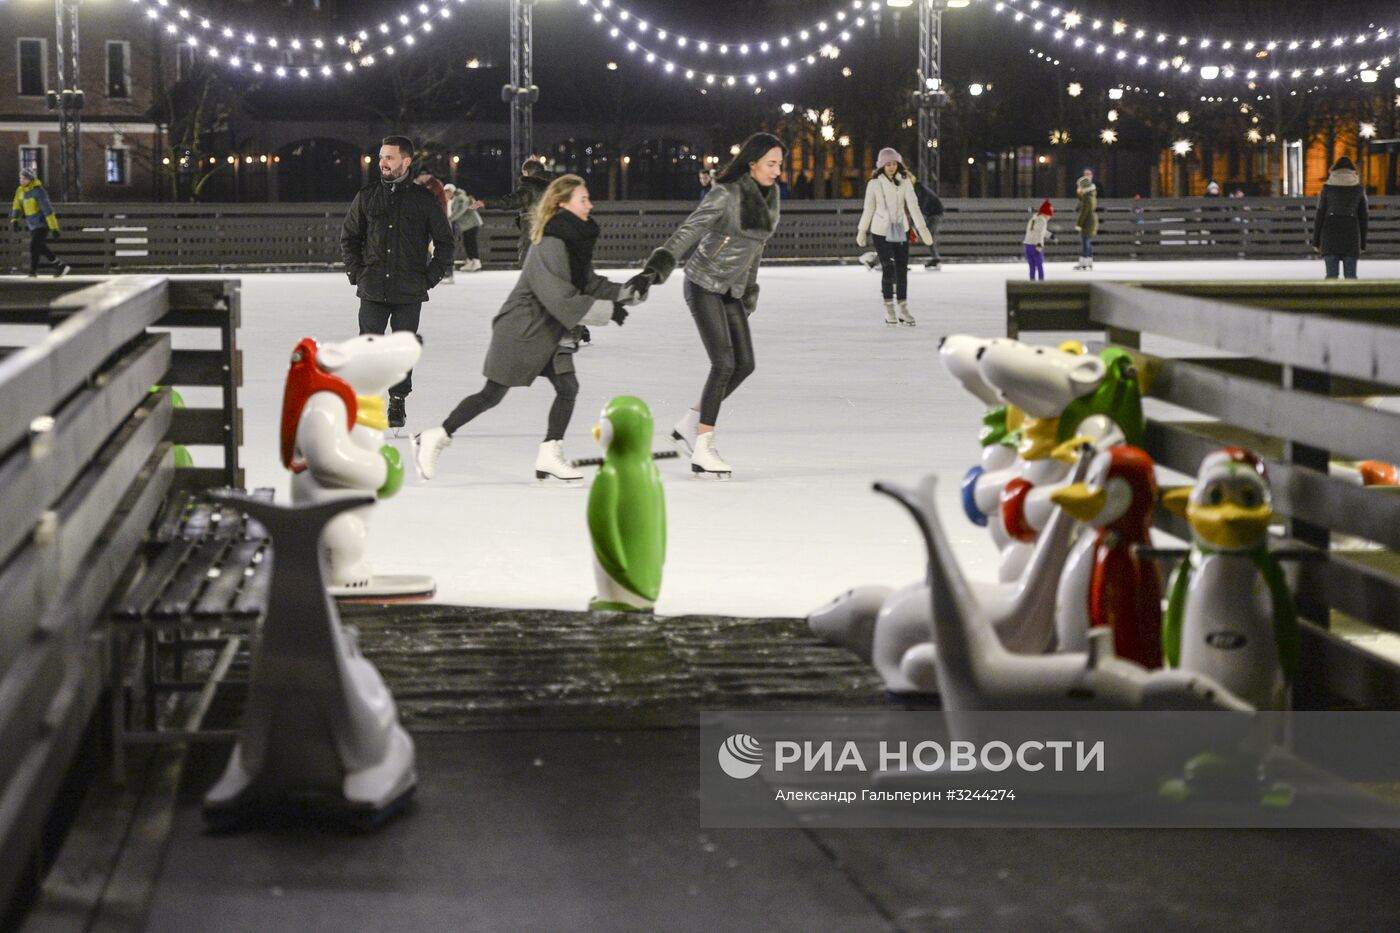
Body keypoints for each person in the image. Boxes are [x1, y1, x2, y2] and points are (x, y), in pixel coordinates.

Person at [412, 175, 642, 485]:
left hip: (551, 331)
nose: (591, 204)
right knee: (491, 395)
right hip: (522, 329)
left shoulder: (574, 239)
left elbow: (589, 282)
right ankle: (435, 436)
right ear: (563, 204)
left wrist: (629, 291)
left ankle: (550, 452)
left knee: (567, 388)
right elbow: (558, 297)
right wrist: (607, 310)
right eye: (583, 200)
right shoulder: (549, 241)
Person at [626, 132, 788, 480]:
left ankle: (689, 422)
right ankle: (703, 447)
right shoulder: (725, 194)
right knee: (723, 363)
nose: (778, 171)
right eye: (772, 164)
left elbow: (755, 249)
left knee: (744, 364)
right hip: (703, 283)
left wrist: (749, 290)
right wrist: (654, 271)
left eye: (780, 165)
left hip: (732, 288)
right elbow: (689, 231)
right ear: (753, 162)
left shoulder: (770, 196)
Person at [341, 135, 455, 430]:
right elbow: (350, 238)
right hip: (373, 287)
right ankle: (365, 402)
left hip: (409, 289)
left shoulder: (423, 200)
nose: (383, 163)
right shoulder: (366, 196)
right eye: (381, 157)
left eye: (389, 157)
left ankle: (397, 401)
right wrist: (357, 273)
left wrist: (430, 278)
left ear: (406, 161)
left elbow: (445, 242)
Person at [855, 148, 934, 326]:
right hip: (881, 231)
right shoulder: (874, 184)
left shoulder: (905, 182)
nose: (891, 167)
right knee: (888, 267)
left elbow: (913, 207)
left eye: (894, 164)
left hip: (900, 229)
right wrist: (862, 230)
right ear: (881, 166)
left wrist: (923, 229)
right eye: (887, 164)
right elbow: (868, 209)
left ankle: (903, 307)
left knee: (901, 269)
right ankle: (889, 307)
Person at [482, 159, 552, 264]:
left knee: (527, 256)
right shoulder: (553, 186)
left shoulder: (530, 186)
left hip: (531, 224)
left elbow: (511, 201)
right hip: (549, 223)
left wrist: (486, 202)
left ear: (526, 172)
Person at [1312, 156, 1367, 280]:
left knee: (1331, 277)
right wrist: (1362, 243)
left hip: (1330, 234)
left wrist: (1316, 241)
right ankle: (1352, 300)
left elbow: (1320, 214)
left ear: (1334, 170)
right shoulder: (1358, 189)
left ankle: (1331, 300)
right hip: (1351, 235)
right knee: (1351, 277)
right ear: (1353, 171)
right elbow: (1363, 217)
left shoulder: (1327, 188)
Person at [10, 169, 69, 277]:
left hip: (42, 224)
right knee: (39, 247)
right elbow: (16, 206)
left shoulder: (39, 191)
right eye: (20, 178)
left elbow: (48, 210)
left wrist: (54, 228)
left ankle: (33, 272)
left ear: (30, 179)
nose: (21, 180)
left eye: (23, 178)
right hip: (32, 225)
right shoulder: (20, 191)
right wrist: (15, 220)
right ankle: (59, 265)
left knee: (34, 246)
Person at [445, 183, 483, 271]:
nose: (446, 194)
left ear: (451, 191)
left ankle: (476, 262)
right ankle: (471, 261)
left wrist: (449, 219)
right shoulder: (454, 199)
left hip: (472, 223)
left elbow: (460, 210)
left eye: (447, 192)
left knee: (471, 242)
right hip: (467, 225)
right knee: (467, 242)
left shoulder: (460, 198)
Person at [916, 180, 944, 269]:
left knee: (928, 236)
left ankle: (936, 258)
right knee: (928, 236)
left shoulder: (922, 192)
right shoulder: (922, 190)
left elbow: (922, 204)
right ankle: (935, 258)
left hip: (934, 215)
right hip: (933, 214)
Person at [1074, 168, 1099, 271]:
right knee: (1086, 241)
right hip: (1090, 221)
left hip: (1088, 222)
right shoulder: (1090, 195)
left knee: (1085, 242)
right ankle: (1087, 262)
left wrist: (1079, 224)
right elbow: (1081, 204)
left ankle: (1085, 263)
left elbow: (1084, 212)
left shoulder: (1087, 198)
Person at [1024, 199, 1053, 281]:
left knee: (1032, 267)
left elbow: (1039, 231)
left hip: (1027, 245)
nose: (1049, 217)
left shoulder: (1034, 219)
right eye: (1049, 215)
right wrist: (1039, 245)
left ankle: (1032, 282)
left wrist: (1050, 235)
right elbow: (1039, 233)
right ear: (1046, 214)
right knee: (1039, 267)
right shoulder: (1042, 221)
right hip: (1036, 246)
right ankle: (1041, 283)